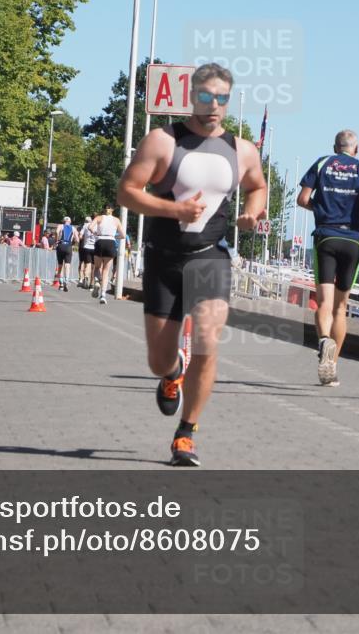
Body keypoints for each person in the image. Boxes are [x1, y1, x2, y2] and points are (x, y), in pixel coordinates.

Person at [117, 62, 267, 466]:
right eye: (205, 96)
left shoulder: (242, 150)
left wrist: (254, 212)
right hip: (163, 258)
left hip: (210, 258)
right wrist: (174, 209)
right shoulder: (162, 141)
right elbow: (127, 193)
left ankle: (186, 434)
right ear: (191, 97)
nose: (213, 105)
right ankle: (171, 373)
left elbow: (258, 185)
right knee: (158, 360)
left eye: (222, 98)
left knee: (207, 339)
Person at [296, 129, 359, 386]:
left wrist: (322, 209)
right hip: (352, 240)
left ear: (335, 148)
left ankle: (324, 340)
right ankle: (332, 365)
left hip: (326, 236)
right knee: (340, 307)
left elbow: (303, 199)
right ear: (356, 149)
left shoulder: (323, 163)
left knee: (323, 303)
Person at [89, 205, 124, 305]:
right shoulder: (116, 220)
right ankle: (103, 295)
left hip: (100, 241)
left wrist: (96, 233)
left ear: (104, 210)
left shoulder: (99, 218)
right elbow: (122, 235)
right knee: (106, 270)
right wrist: (114, 235)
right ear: (112, 210)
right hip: (111, 242)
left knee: (97, 267)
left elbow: (90, 227)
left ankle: (96, 281)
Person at [54, 217, 79, 292]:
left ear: (63, 221)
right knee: (67, 265)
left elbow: (56, 232)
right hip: (69, 246)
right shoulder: (73, 228)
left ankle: (61, 282)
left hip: (61, 245)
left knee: (60, 265)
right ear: (70, 222)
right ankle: (66, 280)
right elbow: (77, 239)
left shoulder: (60, 226)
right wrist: (74, 244)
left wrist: (56, 240)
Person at [77, 213, 97, 288]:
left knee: (87, 264)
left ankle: (86, 276)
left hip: (86, 247)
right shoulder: (98, 225)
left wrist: (84, 238)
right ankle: (91, 284)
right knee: (94, 267)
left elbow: (80, 236)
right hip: (95, 248)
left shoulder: (85, 225)